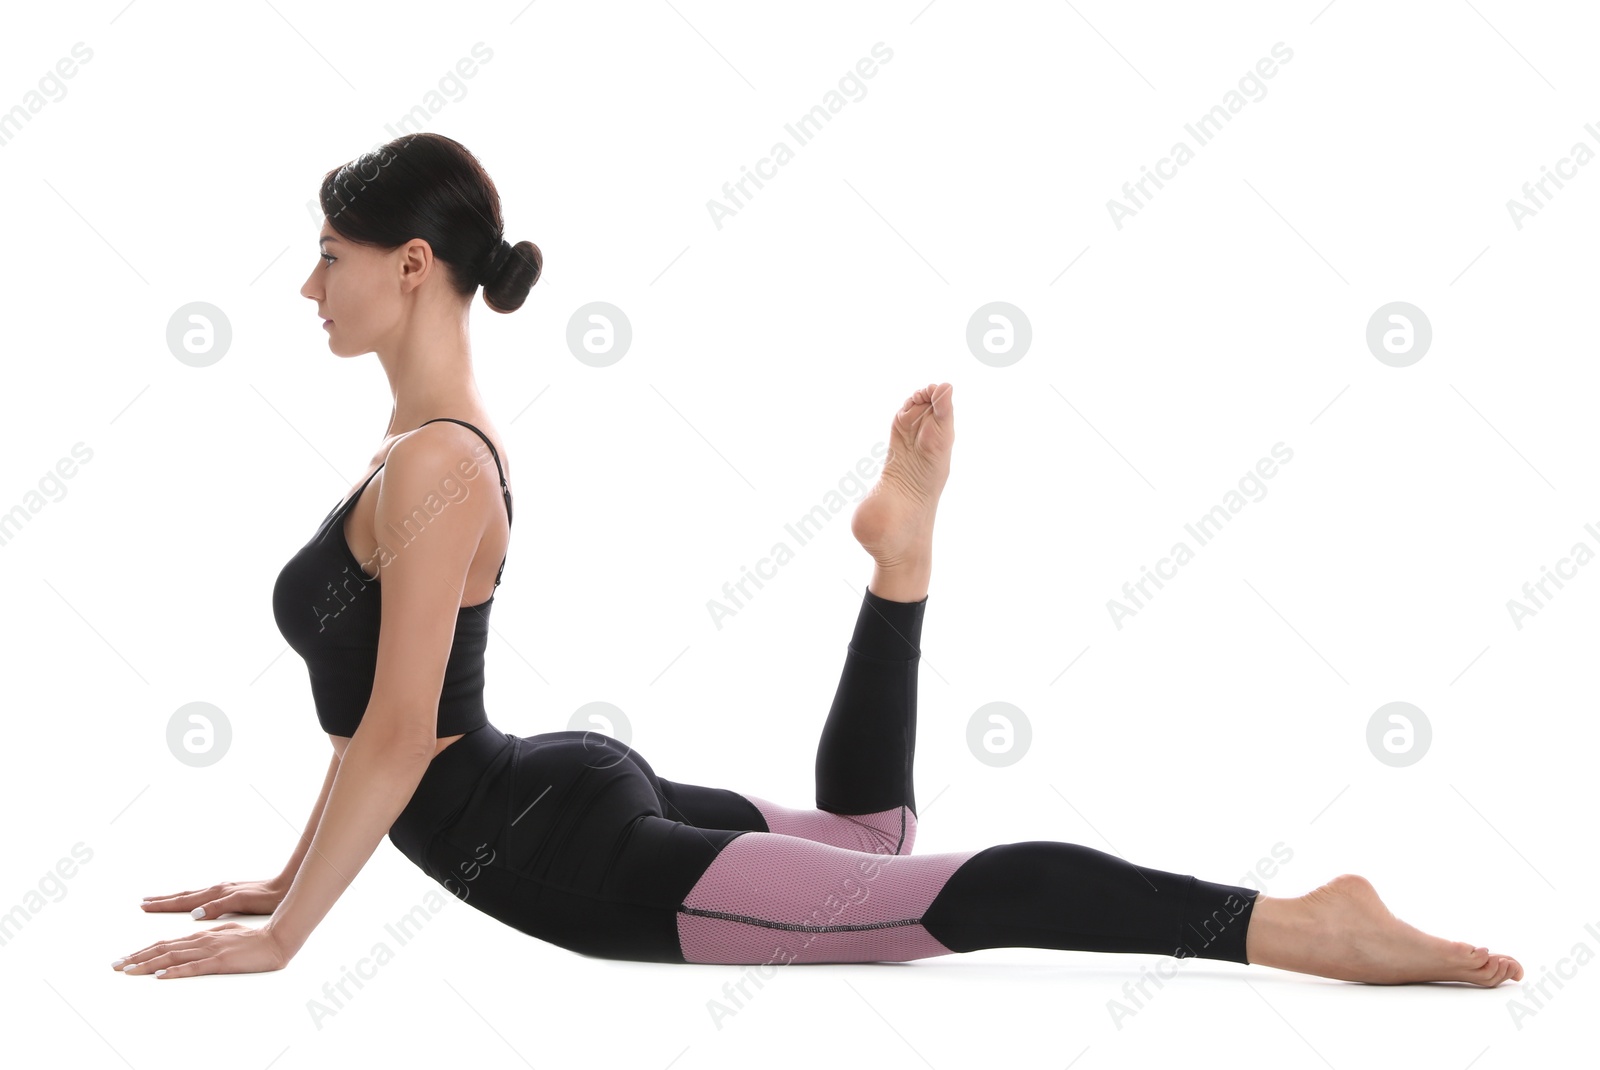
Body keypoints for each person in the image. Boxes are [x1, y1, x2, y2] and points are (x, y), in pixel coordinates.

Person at [116, 133, 1522, 988]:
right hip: (549, 784)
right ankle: (897, 564)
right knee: (870, 843)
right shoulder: (423, 442)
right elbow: (377, 722)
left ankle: (1295, 923)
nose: (309, 286)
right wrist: (282, 874)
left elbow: (400, 736)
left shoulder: (431, 463)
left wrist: (290, 931)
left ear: (411, 264)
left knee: (951, 900)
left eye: (327, 257)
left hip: (567, 849)